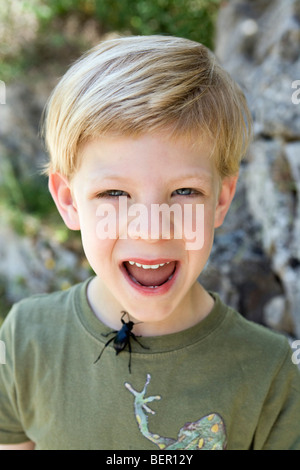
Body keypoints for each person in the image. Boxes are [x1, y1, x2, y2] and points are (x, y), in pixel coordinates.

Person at [0, 35, 299, 451]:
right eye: (114, 194)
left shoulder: (274, 374)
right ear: (69, 202)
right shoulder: (23, 339)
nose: (152, 230)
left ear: (222, 201)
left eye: (184, 192)